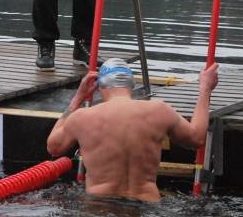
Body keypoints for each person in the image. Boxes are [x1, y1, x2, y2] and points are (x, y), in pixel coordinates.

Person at [46, 59, 220, 202]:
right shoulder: (159, 110)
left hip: (99, 205)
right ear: (131, 85)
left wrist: (77, 99)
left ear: (100, 86)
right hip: (146, 205)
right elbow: (197, 138)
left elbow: (54, 147)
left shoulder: (82, 117)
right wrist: (205, 90)